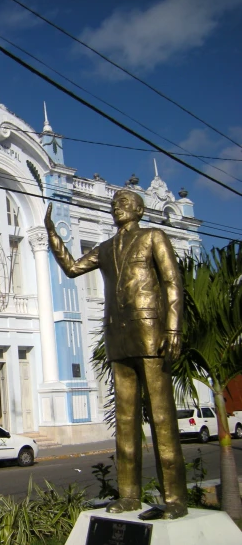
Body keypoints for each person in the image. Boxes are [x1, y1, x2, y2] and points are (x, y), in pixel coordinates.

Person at [44, 189, 187, 519]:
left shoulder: (154, 236)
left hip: (151, 332)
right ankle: (129, 496)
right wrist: (52, 234)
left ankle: (175, 499)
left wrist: (173, 326)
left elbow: (171, 282)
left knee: (162, 418)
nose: (116, 207)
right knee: (125, 422)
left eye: (123, 203)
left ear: (138, 209)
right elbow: (72, 268)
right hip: (117, 334)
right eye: (114, 204)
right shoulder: (106, 248)